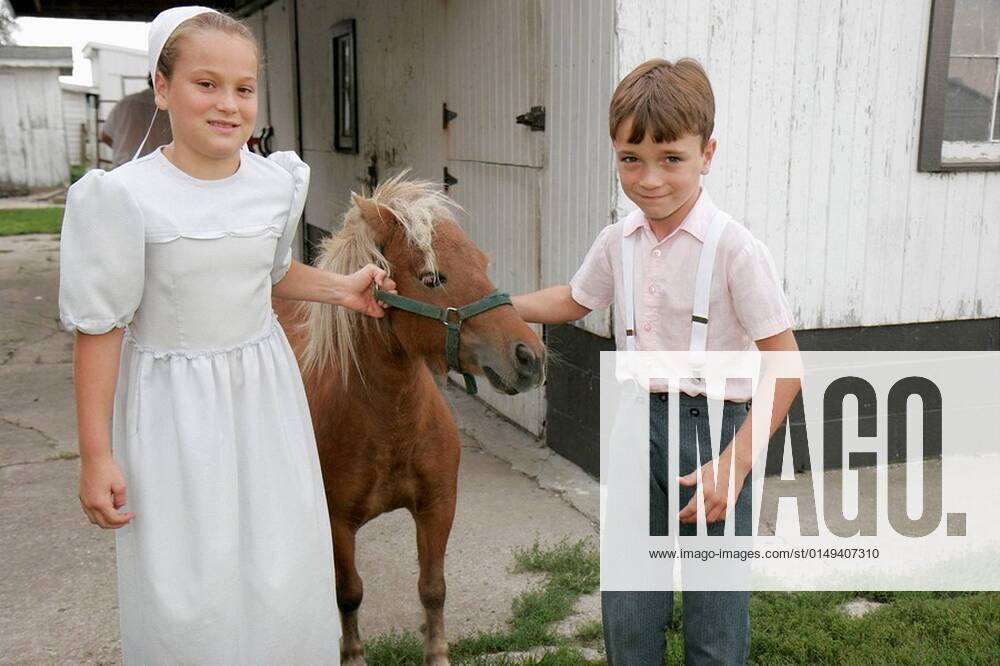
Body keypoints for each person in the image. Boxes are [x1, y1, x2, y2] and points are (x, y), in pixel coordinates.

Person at [59, 7, 392, 662]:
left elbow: (264, 275)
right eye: (205, 84)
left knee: (278, 559)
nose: (228, 104)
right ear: (162, 88)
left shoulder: (274, 183)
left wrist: (340, 288)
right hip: (174, 408)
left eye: (243, 88)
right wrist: (96, 456)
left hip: (265, 394)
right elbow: (100, 329)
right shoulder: (124, 197)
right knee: (190, 577)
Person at [512, 58, 801, 665]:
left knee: (715, 613)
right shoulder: (618, 240)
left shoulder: (735, 249)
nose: (649, 179)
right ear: (614, 153)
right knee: (630, 604)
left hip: (718, 434)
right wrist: (498, 302)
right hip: (636, 423)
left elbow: (786, 365)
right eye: (630, 159)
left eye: (670, 158)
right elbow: (573, 298)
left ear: (707, 153)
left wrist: (736, 462)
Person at [100, 76, 174, 168]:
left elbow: (105, 136)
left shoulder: (126, 103)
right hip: (159, 169)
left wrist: (123, 148)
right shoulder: (171, 107)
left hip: (124, 168)